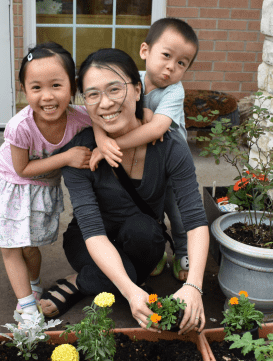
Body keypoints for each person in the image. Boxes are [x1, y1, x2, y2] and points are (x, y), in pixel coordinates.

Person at [39, 48, 209, 335]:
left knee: (143, 232)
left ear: (137, 89)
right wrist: (131, 291)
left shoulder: (170, 146)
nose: (105, 103)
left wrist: (194, 286)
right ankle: (84, 280)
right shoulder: (80, 152)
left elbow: (195, 220)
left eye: (115, 89)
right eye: (93, 94)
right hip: (89, 241)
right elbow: (92, 231)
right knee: (127, 278)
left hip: (142, 238)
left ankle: (86, 281)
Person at [0, 42, 92, 321]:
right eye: (36, 87)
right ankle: (28, 307)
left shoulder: (81, 118)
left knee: (29, 246)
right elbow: (23, 169)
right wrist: (67, 157)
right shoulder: (20, 126)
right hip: (11, 184)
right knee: (10, 246)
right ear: (24, 90)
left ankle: (32, 284)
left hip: (42, 187)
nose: (47, 96)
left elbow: (104, 125)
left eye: (56, 85)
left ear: (72, 86)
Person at [89, 18, 199, 282]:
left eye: (182, 63)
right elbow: (98, 112)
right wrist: (101, 140)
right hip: (144, 161)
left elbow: (156, 129)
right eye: (166, 55)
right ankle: (155, 251)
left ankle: (183, 251)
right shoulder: (130, 80)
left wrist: (113, 145)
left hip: (171, 165)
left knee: (178, 211)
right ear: (145, 51)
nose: (171, 67)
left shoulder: (174, 92)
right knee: (151, 208)